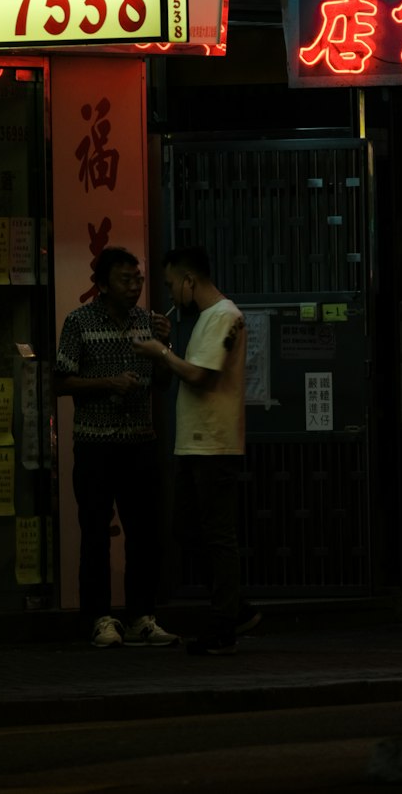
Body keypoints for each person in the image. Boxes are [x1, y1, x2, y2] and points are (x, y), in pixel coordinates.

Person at [136, 245, 260, 655]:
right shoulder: (205, 318)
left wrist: (161, 352)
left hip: (214, 444)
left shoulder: (225, 315)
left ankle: (225, 623)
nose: (170, 294)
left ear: (190, 280)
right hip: (194, 443)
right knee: (187, 529)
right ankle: (235, 608)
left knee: (216, 534)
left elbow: (201, 376)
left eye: (172, 284)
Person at [53, 246, 179, 649]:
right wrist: (109, 383)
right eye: (126, 280)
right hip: (95, 445)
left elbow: (163, 385)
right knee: (95, 534)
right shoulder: (79, 322)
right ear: (102, 285)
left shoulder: (150, 323)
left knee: (145, 533)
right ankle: (100, 618)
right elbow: (61, 382)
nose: (135, 287)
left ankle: (142, 616)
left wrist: (165, 349)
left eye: (138, 279)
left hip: (141, 443)